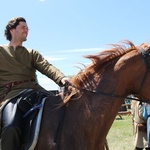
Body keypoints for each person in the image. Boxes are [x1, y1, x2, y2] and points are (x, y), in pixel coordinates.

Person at [0, 17, 70, 150]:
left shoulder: (32, 53)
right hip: (12, 95)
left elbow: (46, 66)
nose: (26, 30)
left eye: (27, 28)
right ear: (12, 30)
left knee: (64, 111)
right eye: (23, 27)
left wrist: (62, 78)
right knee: (11, 127)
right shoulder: (0, 51)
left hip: (36, 90)